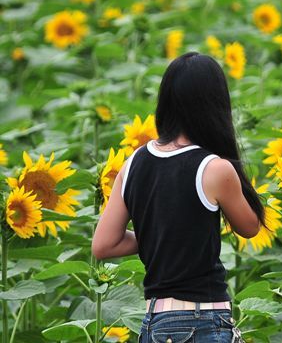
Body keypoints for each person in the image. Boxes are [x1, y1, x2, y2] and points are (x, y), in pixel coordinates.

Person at [92, 52, 265, 343]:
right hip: (203, 320)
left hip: (154, 323)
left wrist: (158, 234)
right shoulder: (214, 168)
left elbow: (103, 245)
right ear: (216, 106)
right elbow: (249, 227)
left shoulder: (133, 162)